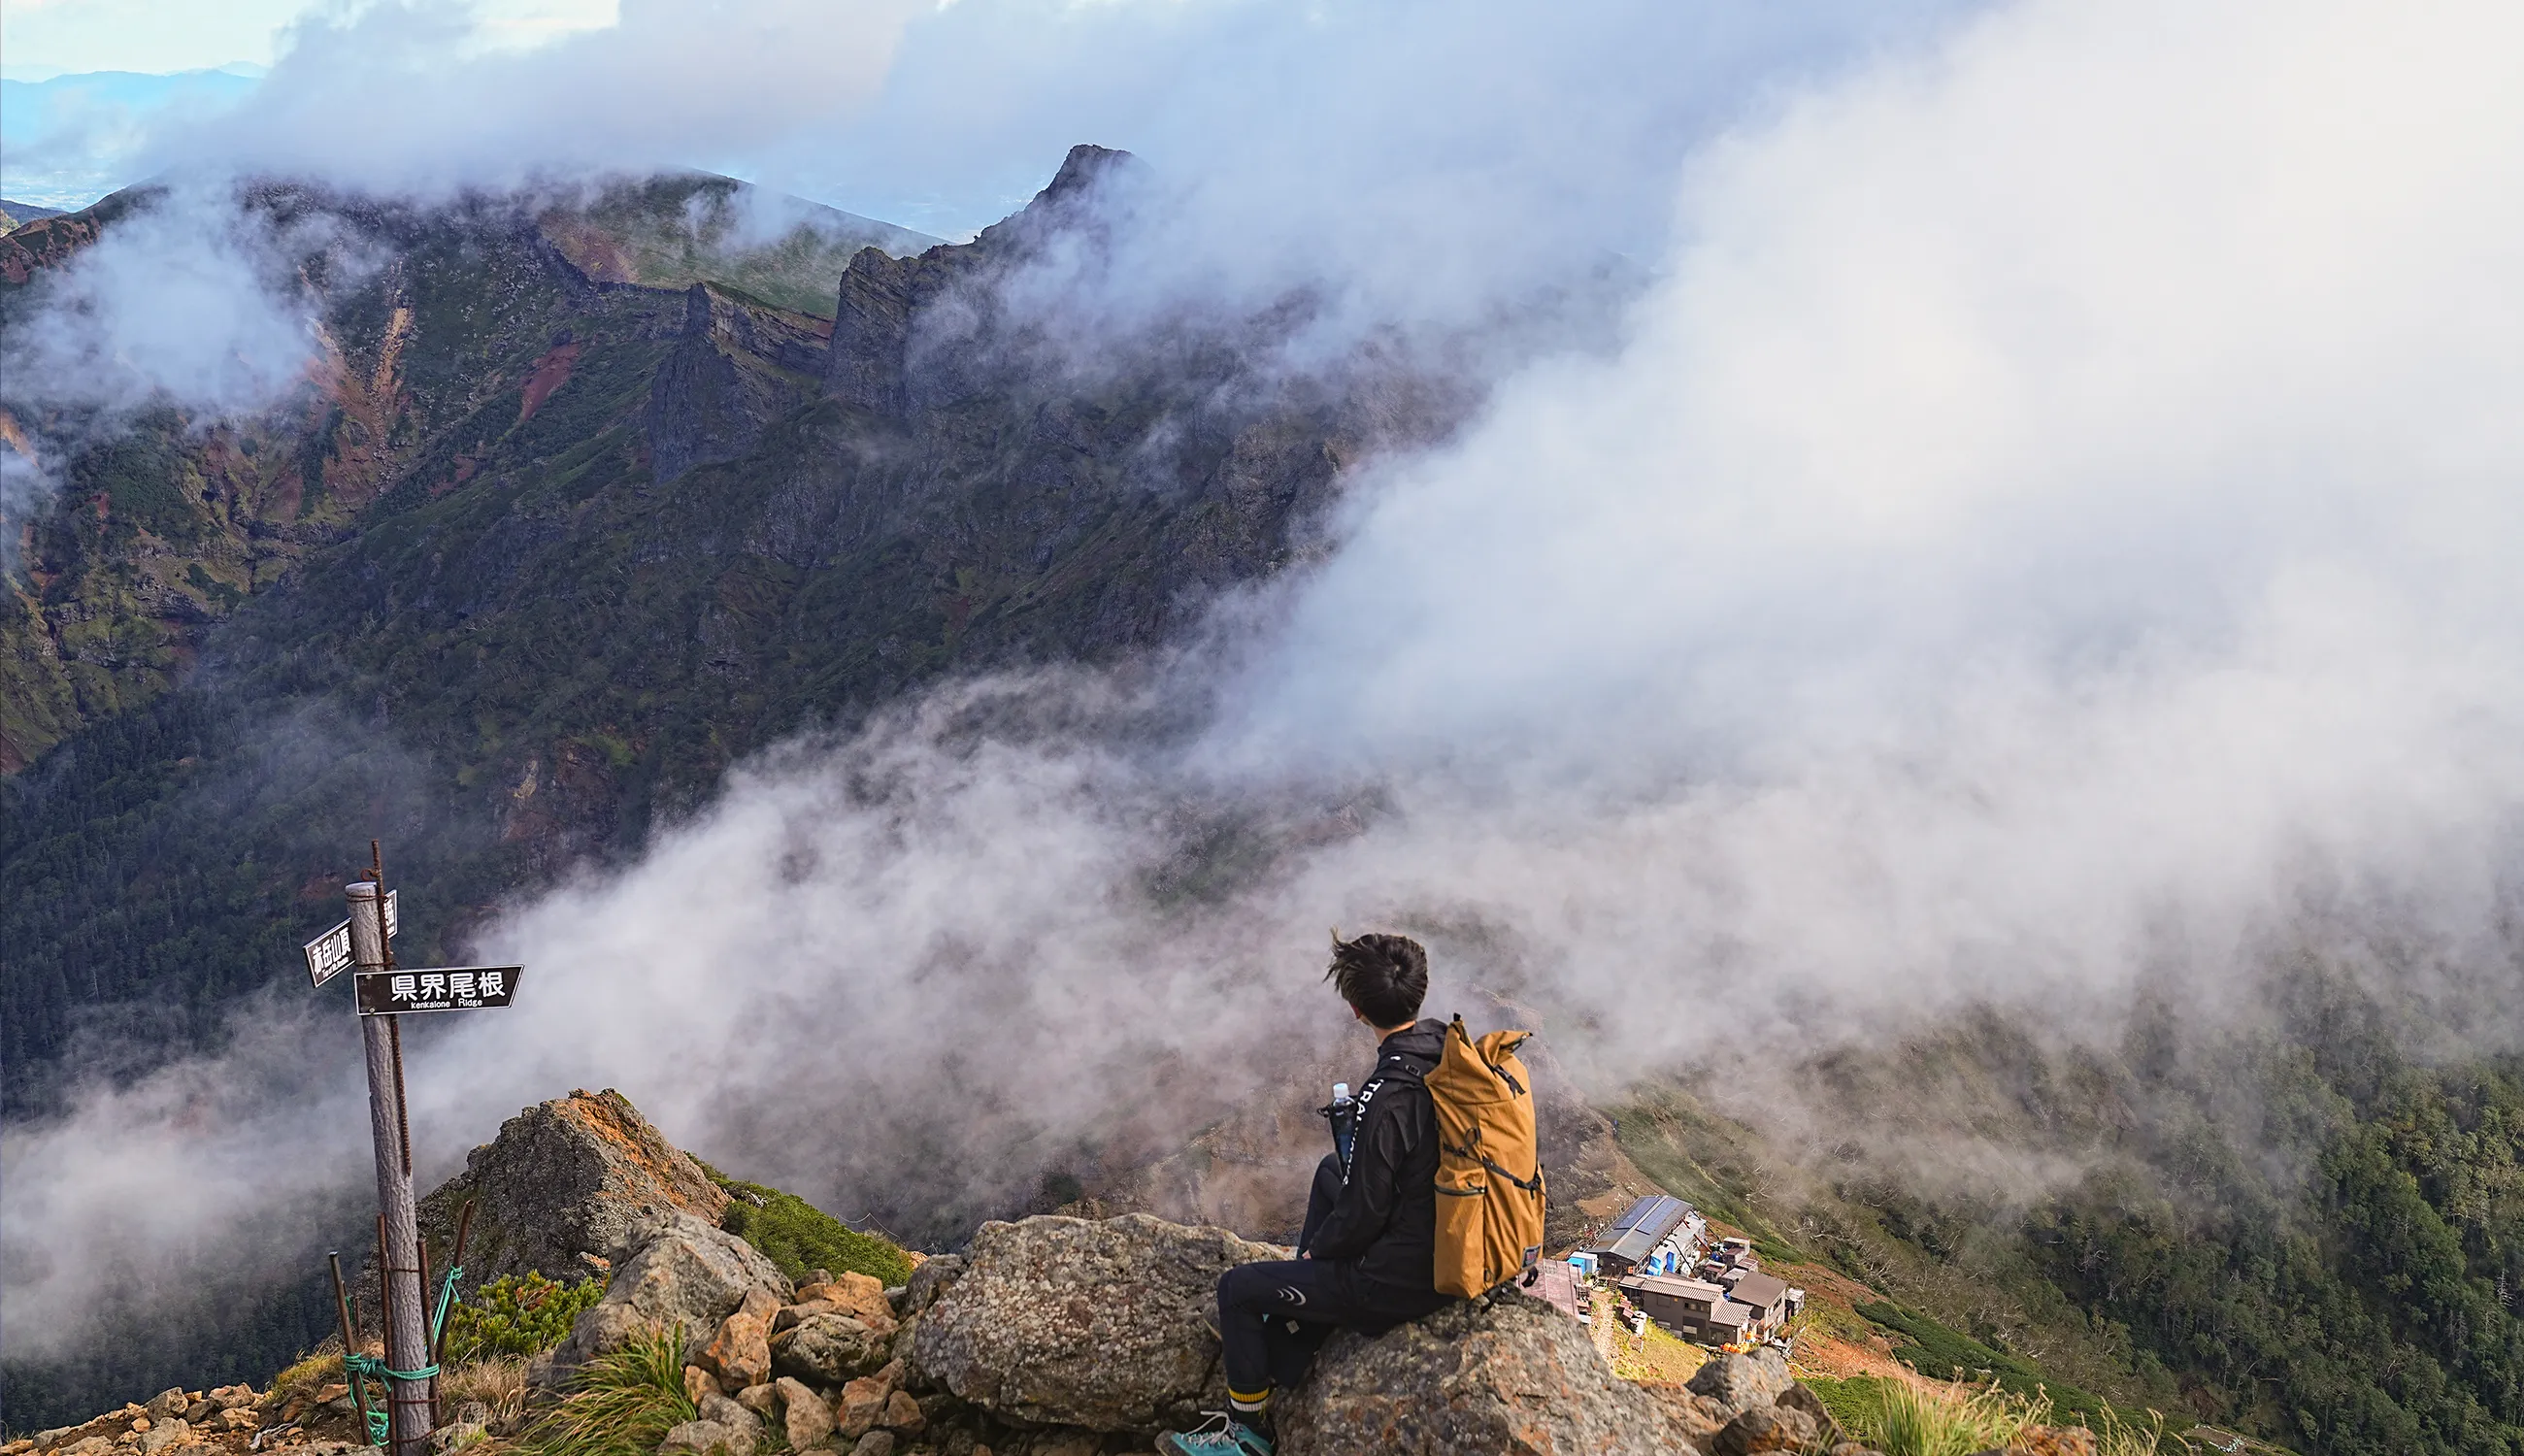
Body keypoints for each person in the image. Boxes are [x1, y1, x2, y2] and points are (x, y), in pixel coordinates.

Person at [1159, 932, 1457, 1456]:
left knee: (1237, 1291)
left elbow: (1364, 1212)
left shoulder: (1386, 1096)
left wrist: (1322, 1253)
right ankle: (1303, 1323)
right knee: (1327, 1171)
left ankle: (1245, 1433)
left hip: (1398, 1280)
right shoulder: (1447, 1053)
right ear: (1420, 992)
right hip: (1447, 1244)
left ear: (1356, 1009)